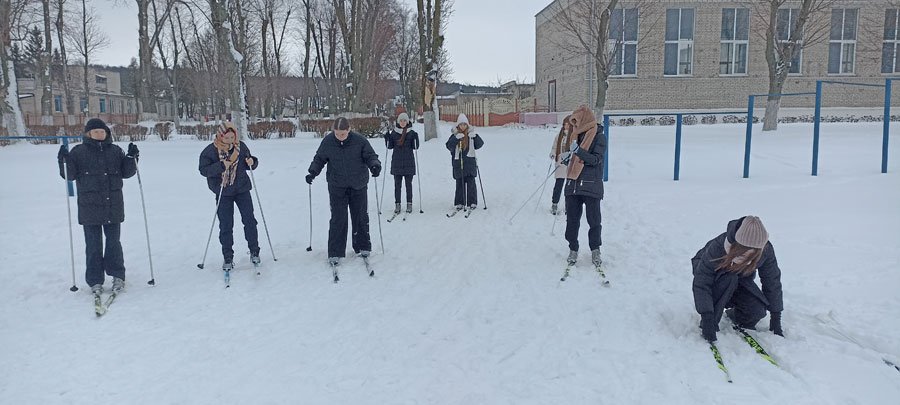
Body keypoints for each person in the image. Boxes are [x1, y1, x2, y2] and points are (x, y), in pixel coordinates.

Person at [57, 118, 138, 295]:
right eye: (96, 132)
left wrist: (131, 157)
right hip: (89, 208)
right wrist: (63, 160)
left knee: (114, 243)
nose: (100, 135)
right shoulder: (79, 152)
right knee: (93, 245)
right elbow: (69, 175)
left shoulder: (115, 150)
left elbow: (127, 172)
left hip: (113, 205)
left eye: (102, 132)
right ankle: (95, 280)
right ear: (88, 134)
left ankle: (117, 275)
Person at [692, 216, 784, 343]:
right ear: (738, 245)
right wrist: (707, 316)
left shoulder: (765, 250)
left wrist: (776, 316)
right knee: (729, 279)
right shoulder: (718, 247)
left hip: (740, 279)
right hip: (715, 279)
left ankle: (735, 314)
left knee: (757, 311)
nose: (750, 254)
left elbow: (772, 280)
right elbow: (702, 282)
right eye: (746, 251)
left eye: (754, 251)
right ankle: (713, 318)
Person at [306, 117, 382, 265]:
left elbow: (371, 156)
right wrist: (312, 172)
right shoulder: (328, 142)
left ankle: (362, 246)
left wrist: (374, 165)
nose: (340, 136)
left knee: (360, 216)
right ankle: (335, 251)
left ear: (348, 130)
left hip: (358, 184)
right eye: (337, 133)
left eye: (342, 133)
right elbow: (319, 159)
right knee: (338, 218)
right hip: (337, 186)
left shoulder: (360, 141)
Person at [198, 121, 260, 271]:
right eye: (227, 138)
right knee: (226, 225)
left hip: (242, 189)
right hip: (223, 192)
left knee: (249, 220)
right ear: (220, 136)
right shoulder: (210, 151)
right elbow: (203, 170)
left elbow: (249, 162)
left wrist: (253, 161)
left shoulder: (241, 147)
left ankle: (254, 251)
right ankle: (227, 256)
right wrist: (221, 166)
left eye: (233, 137)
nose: (231, 141)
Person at [562, 106, 607, 267]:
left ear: (585, 120)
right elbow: (574, 157)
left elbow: (595, 160)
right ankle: (573, 248)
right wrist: (567, 157)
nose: (574, 124)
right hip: (572, 185)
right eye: (573, 122)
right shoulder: (576, 136)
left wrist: (578, 151)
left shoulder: (599, 137)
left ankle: (595, 250)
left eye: (577, 121)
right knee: (572, 220)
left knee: (594, 220)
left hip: (591, 185)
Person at [445, 114, 484, 211]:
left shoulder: (471, 135)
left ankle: (472, 202)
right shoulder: (454, 135)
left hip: (470, 163)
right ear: (458, 125)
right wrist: (456, 139)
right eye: (461, 124)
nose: (463, 126)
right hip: (459, 164)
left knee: (471, 184)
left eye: (464, 124)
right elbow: (449, 146)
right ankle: (460, 202)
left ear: (467, 125)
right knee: (460, 184)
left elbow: (479, 145)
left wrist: (475, 137)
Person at [385, 112, 419, 214]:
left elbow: (415, 147)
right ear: (398, 122)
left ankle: (409, 203)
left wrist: (416, 138)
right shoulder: (394, 133)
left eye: (405, 120)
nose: (403, 122)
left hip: (409, 163)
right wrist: (387, 137)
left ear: (407, 121)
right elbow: (389, 146)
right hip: (397, 163)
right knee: (397, 185)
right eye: (401, 120)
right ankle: (397, 204)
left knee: (409, 185)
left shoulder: (411, 133)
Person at [549, 115, 573, 215]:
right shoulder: (559, 136)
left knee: (569, 187)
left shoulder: (573, 136)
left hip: (569, 164)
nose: (565, 126)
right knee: (558, 185)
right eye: (564, 124)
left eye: (567, 124)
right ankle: (554, 203)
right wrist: (553, 153)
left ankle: (569, 206)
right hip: (560, 163)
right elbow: (555, 147)